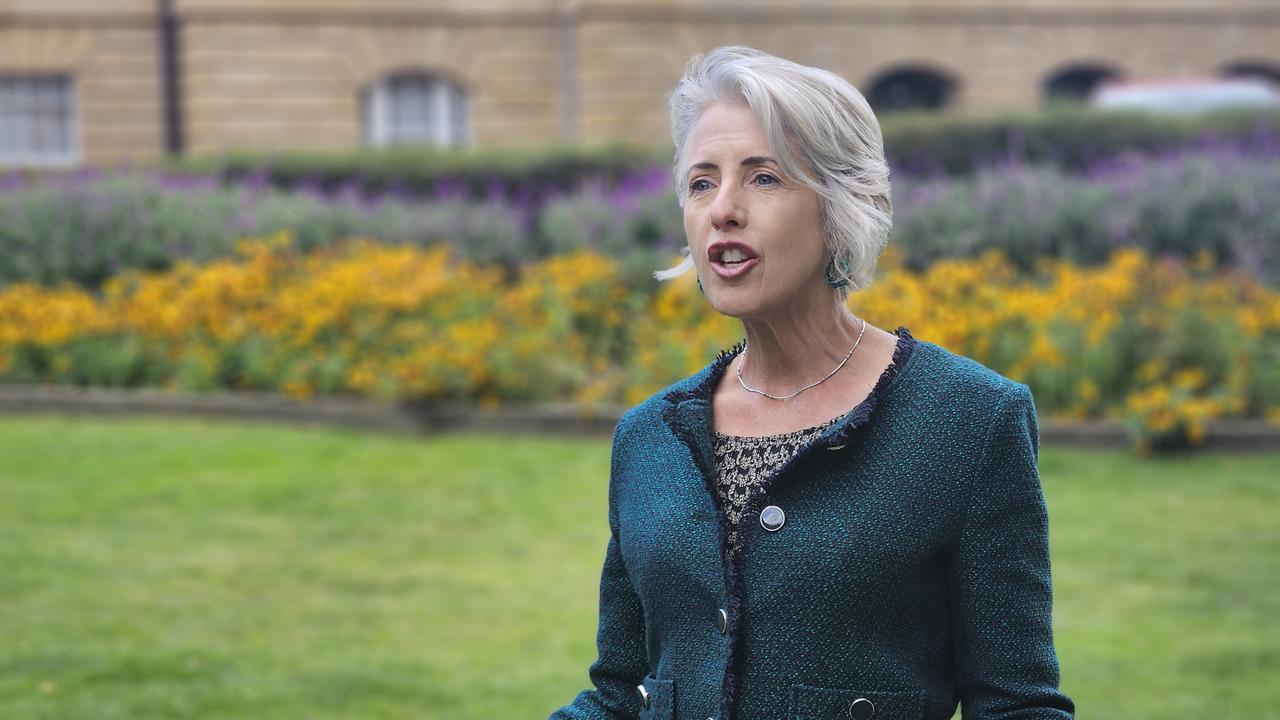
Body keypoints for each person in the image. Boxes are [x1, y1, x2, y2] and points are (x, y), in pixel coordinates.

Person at [548, 45, 1074, 720]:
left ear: (839, 207)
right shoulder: (649, 437)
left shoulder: (972, 420)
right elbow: (622, 692)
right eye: (701, 183)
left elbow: (1017, 705)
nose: (723, 210)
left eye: (764, 178)